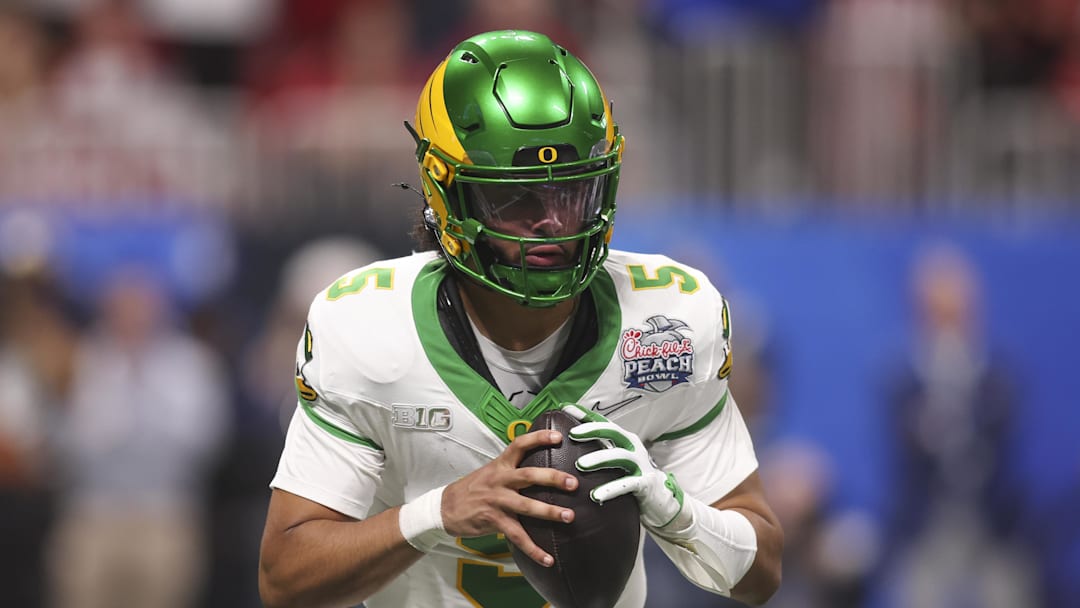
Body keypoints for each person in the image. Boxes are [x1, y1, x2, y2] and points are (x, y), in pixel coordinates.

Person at [258, 30, 782, 608]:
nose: (554, 222)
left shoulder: (669, 321)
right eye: (518, 199)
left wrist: (674, 509)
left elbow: (760, 573)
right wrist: (438, 512)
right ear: (444, 196)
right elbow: (285, 581)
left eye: (574, 192)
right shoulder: (367, 328)